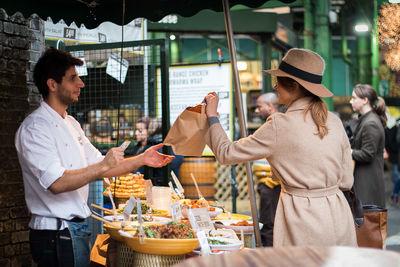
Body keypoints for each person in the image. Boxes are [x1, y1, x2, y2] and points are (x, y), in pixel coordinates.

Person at [14, 48, 174, 267]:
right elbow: (57, 182)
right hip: (55, 233)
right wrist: (102, 166)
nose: (81, 83)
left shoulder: (71, 123)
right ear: (52, 85)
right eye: (73, 78)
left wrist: (141, 159)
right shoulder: (35, 128)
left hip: (75, 228)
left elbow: (102, 166)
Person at [204, 48, 357, 246]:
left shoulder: (279, 124)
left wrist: (212, 116)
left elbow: (226, 153)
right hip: (339, 215)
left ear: (293, 85)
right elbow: (346, 180)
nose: (275, 87)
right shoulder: (334, 121)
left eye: (278, 82)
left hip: (302, 219)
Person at [349, 85, 386, 208]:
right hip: (366, 182)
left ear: (365, 100)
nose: (351, 101)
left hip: (368, 184)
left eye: (354, 98)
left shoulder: (370, 123)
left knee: (368, 225)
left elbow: (367, 154)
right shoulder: (367, 120)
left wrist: (349, 152)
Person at [254, 92, 281, 246]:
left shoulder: (275, 125)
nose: (257, 111)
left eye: (260, 106)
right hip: (268, 184)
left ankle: (269, 257)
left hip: (272, 185)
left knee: (268, 224)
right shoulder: (271, 124)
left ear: (270, 107)